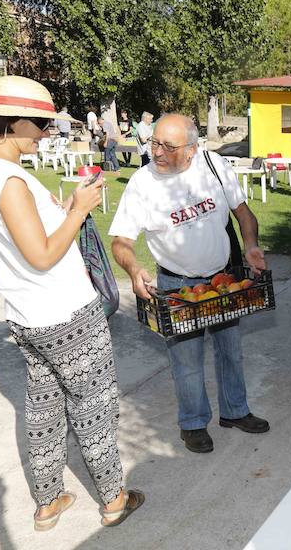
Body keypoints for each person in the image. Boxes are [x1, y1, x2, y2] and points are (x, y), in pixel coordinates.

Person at [0, 75, 144, 530]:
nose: (45, 131)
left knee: (44, 407)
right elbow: (40, 256)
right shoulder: (9, 179)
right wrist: (77, 211)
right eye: (38, 122)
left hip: (27, 316)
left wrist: (58, 212)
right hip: (64, 314)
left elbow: (21, 238)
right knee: (93, 408)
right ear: (13, 121)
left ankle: (48, 501)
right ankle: (114, 498)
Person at [109, 113, 269, 454]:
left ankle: (235, 411)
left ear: (193, 149)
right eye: (154, 142)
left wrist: (252, 245)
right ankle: (194, 423)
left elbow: (243, 213)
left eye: (169, 145)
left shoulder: (213, 164)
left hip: (223, 277)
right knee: (187, 361)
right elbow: (121, 241)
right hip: (177, 284)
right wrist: (134, 268)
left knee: (231, 350)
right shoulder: (142, 183)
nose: (158, 152)